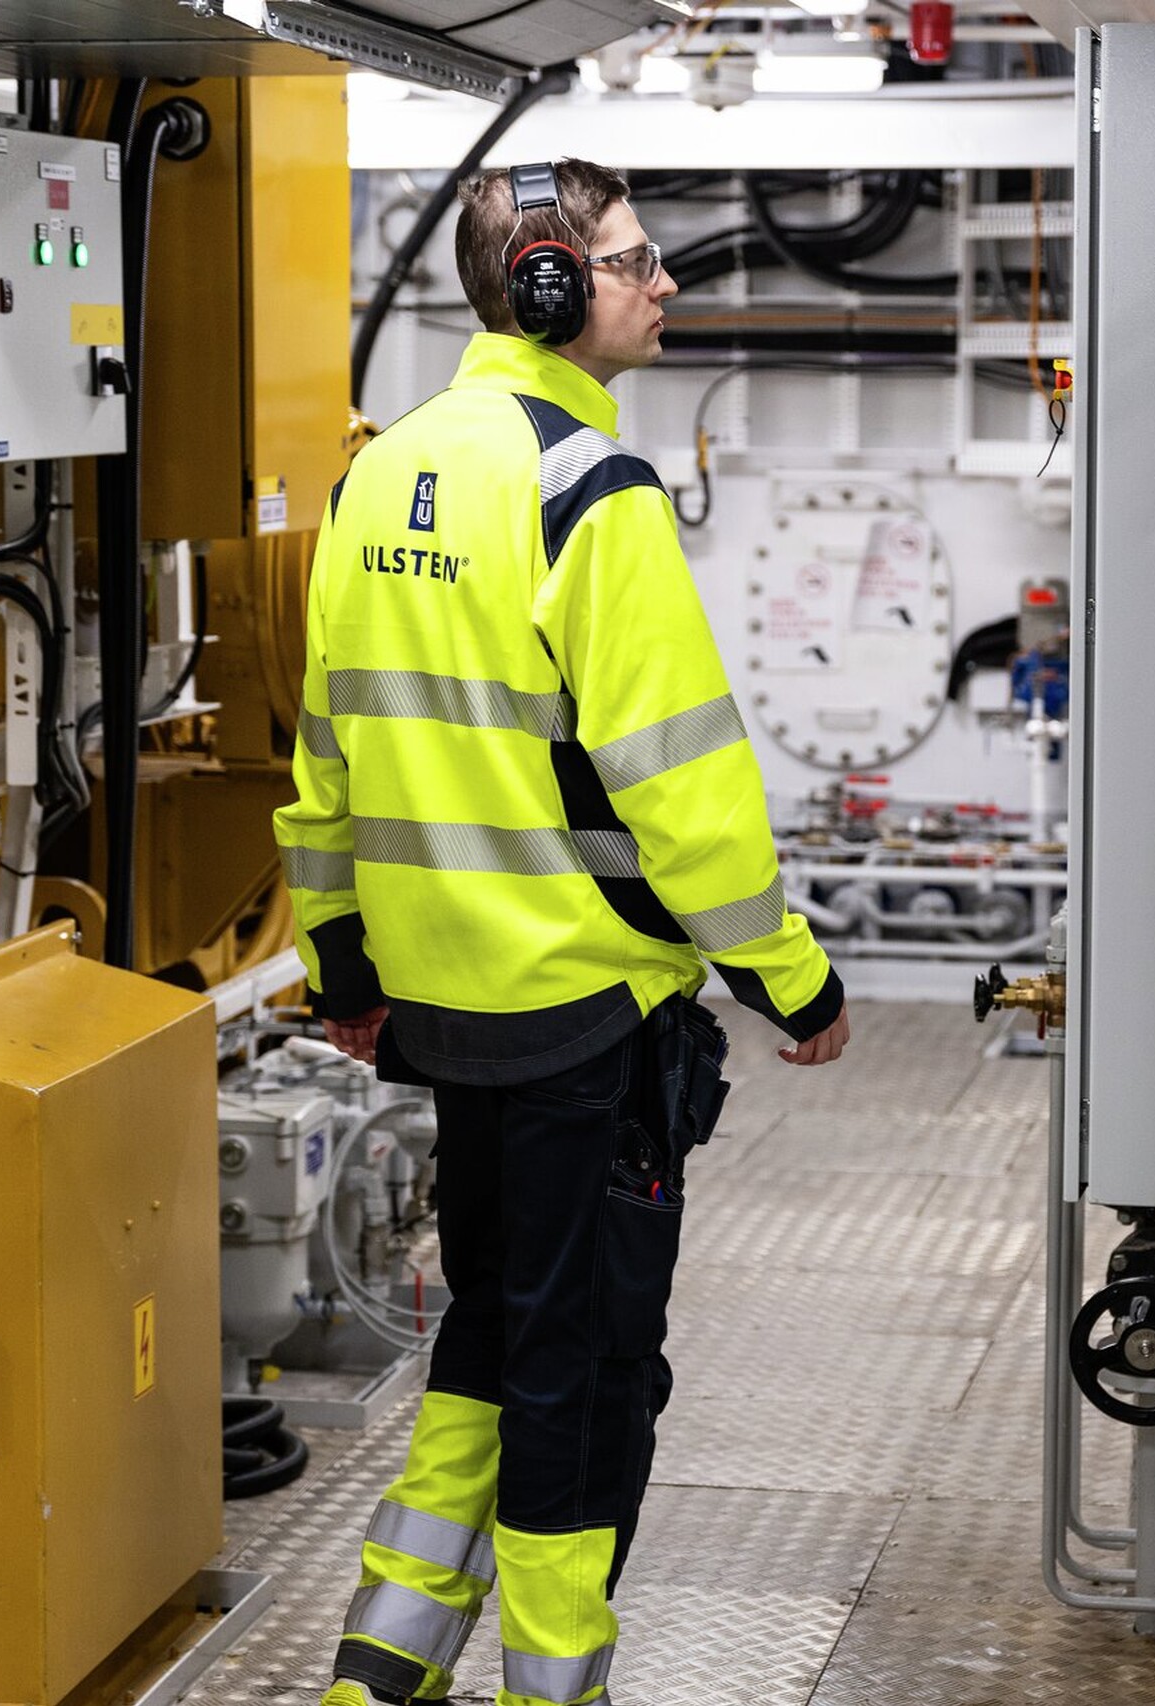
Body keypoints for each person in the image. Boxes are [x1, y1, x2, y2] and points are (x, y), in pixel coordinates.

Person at [274, 158, 852, 1706]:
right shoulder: (584, 489)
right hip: (585, 1014)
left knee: (497, 1324)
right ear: (541, 285)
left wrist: (338, 959)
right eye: (631, 260)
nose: (664, 284)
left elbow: (322, 753)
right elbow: (685, 787)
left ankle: (378, 1673)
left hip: (445, 1013)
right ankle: (554, 1684)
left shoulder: (372, 475)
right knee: (583, 1375)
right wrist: (788, 974)